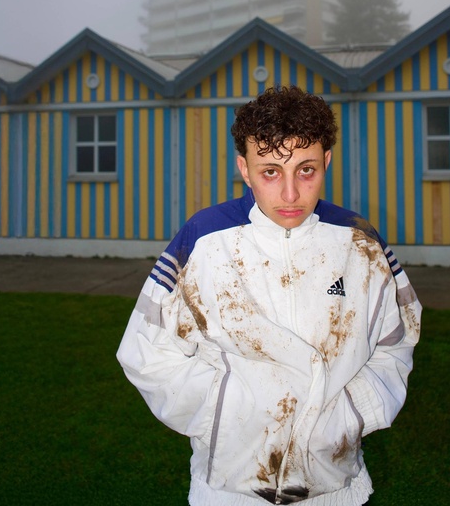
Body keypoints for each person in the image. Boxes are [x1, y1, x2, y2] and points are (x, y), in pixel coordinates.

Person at [117, 85, 421, 506]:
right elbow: (145, 351)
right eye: (271, 172)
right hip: (228, 491)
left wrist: (351, 416)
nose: (291, 194)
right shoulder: (204, 239)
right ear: (244, 169)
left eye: (306, 170)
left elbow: (396, 342)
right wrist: (224, 414)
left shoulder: (359, 243)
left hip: (335, 488)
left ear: (327, 161)